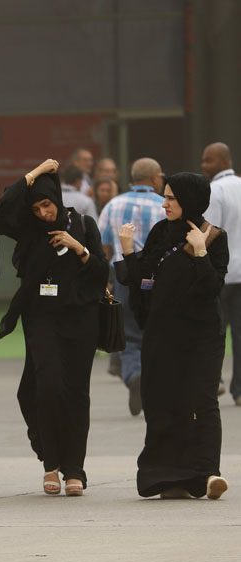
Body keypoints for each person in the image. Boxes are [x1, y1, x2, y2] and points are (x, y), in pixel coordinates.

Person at [0, 159, 108, 497]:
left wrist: (79, 249)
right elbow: (2, 213)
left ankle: (74, 469)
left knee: (76, 393)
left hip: (80, 319)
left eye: (47, 204)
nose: (44, 212)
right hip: (40, 317)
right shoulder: (29, 229)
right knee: (47, 387)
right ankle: (51, 463)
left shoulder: (84, 224)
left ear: (57, 199)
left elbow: (101, 271)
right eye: (37, 206)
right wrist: (33, 174)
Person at [115, 172, 229, 500]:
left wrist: (201, 254)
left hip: (200, 336)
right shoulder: (159, 234)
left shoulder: (212, 237)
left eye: (172, 198)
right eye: (165, 197)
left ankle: (207, 474)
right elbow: (143, 288)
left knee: (201, 401)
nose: (164, 204)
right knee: (163, 402)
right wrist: (128, 253)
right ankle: (167, 476)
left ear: (190, 200)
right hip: (162, 334)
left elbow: (210, 290)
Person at [97, 158, 165, 415]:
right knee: (156, 332)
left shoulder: (114, 205)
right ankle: (153, 385)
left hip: (123, 277)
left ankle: (134, 375)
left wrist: (105, 281)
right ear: (155, 177)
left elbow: (103, 248)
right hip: (158, 279)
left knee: (127, 333)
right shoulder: (164, 206)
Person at [201, 142, 241, 406]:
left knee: (212, 330)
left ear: (224, 161)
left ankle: (214, 382)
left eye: (208, 160)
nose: (204, 165)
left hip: (223, 274)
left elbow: (210, 233)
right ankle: (240, 391)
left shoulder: (214, 190)